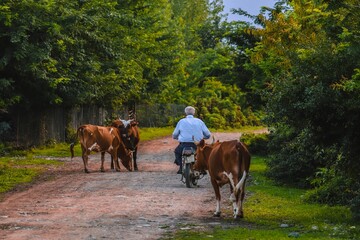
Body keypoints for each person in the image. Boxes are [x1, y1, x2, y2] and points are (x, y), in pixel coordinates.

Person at [172, 106, 211, 174]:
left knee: (177, 152)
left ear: (185, 113)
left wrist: (177, 138)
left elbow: (175, 134)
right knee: (203, 154)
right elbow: (208, 134)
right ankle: (202, 168)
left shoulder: (181, 121)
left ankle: (181, 167)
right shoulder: (199, 121)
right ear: (194, 113)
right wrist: (203, 137)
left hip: (184, 144)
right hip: (197, 144)